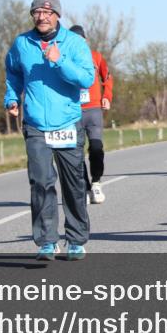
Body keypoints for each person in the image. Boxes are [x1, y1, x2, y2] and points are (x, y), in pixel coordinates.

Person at [5, 0, 95, 260]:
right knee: (41, 182)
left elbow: (86, 79)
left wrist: (60, 62)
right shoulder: (22, 44)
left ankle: (77, 240)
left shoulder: (74, 44)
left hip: (67, 122)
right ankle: (47, 241)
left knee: (73, 184)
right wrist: (11, 97)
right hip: (34, 124)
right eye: (37, 12)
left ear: (57, 14)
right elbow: (12, 71)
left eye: (47, 12)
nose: (41, 17)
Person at [69, 25, 114, 202]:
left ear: (85, 40)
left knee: (96, 147)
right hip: (73, 111)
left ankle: (96, 183)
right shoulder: (64, 58)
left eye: (80, 40)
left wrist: (107, 96)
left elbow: (108, 77)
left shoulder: (96, 57)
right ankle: (84, 187)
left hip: (94, 109)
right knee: (75, 152)